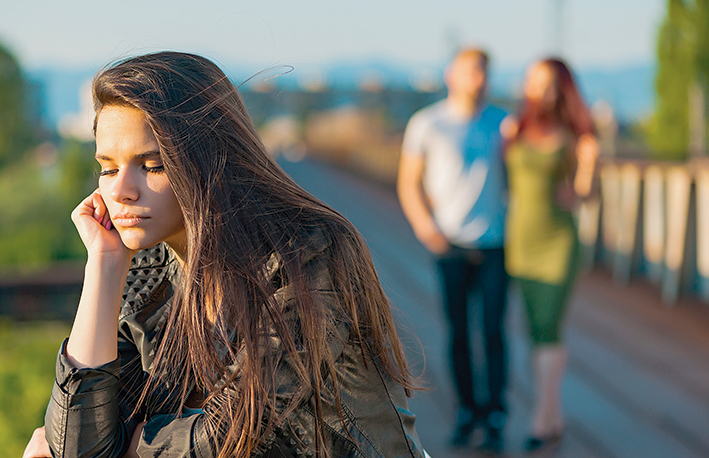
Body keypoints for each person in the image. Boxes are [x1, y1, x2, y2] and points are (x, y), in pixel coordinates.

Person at [23, 51, 427, 458]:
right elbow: (78, 446)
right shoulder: (147, 272)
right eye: (108, 168)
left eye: (152, 165)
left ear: (209, 161)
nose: (120, 190)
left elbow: (235, 431)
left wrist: (125, 446)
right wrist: (104, 265)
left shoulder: (307, 255)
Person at [397, 48, 508, 452]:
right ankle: (466, 410)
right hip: (451, 244)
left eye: (483, 72)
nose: (478, 78)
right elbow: (408, 181)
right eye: (471, 71)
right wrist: (427, 228)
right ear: (451, 75)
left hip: (497, 242)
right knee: (459, 331)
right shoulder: (427, 123)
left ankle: (495, 413)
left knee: (494, 331)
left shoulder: (503, 123)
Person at [501, 58, 599, 450]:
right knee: (533, 328)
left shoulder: (576, 134)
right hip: (521, 239)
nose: (539, 90)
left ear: (562, 88)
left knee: (549, 326)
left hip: (558, 241)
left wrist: (582, 178)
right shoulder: (515, 128)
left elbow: (586, 192)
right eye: (533, 81)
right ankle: (553, 415)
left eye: (547, 83)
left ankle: (540, 419)